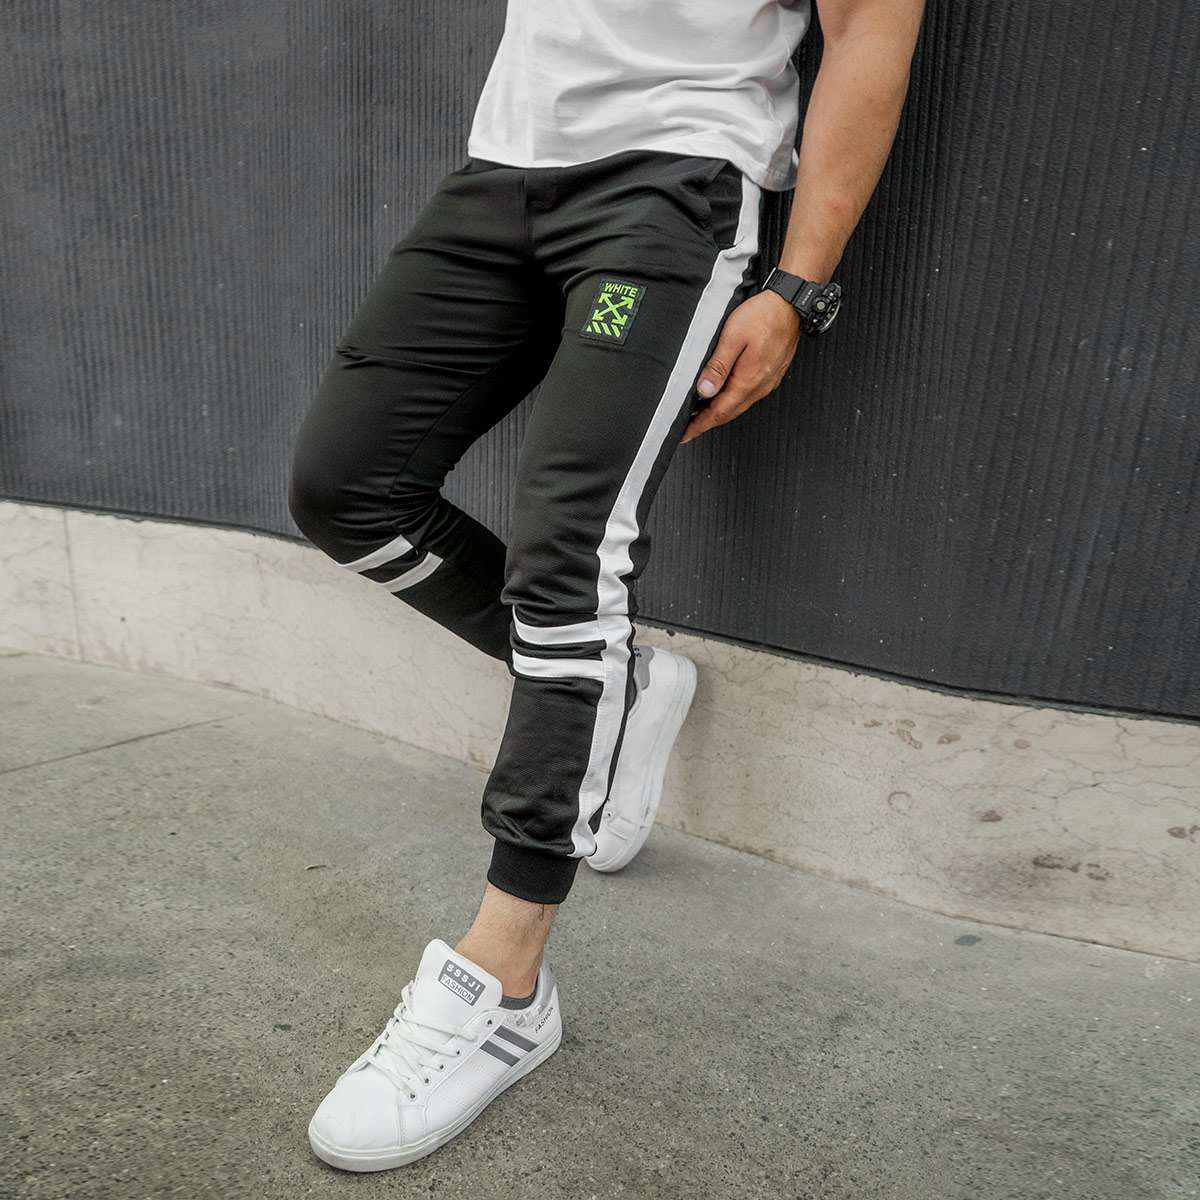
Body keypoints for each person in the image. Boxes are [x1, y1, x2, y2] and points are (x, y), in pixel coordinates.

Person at [288, 0, 925, 1172]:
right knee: (346, 491)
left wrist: (798, 286)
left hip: (672, 184)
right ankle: (612, 691)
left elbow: (868, 34)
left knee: (569, 557)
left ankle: (504, 985)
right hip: (504, 166)